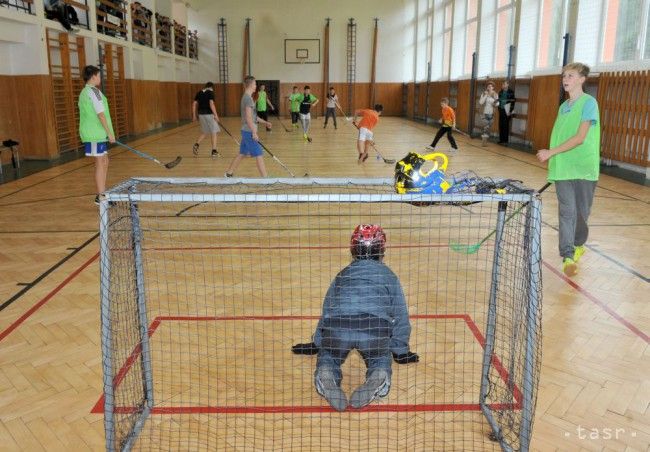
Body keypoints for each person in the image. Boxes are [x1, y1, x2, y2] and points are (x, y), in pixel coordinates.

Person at [292, 224, 418, 412]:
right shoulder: (389, 276)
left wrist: (318, 343)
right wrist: (400, 351)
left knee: (329, 355)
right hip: (374, 329)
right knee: (380, 358)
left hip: (339, 327)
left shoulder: (343, 275)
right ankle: (379, 373)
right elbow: (400, 314)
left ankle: (326, 372)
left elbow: (328, 310)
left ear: (353, 249)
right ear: (382, 249)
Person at [536, 62, 600, 277]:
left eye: (571, 75)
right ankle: (567, 256)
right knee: (567, 212)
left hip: (583, 167)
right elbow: (560, 135)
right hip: (563, 168)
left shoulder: (589, 103)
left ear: (582, 79)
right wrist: (554, 157)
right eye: (564, 75)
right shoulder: (563, 107)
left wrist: (550, 152)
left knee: (581, 214)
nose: (566, 79)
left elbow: (580, 138)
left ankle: (578, 244)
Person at [78, 65, 115, 205]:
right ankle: (101, 196)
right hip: (94, 134)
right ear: (93, 76)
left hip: (97, 133)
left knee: (105, 161)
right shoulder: (93, 92)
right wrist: (110, 133)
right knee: (100, 162)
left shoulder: (85, 92)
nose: (100, 78)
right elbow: (101, 115)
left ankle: (103, 192)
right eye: (99, 76)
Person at [224, 76, 272, 177]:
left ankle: (229, 173)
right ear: (250, 85)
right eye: (255, 84)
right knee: (259, 154)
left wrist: (265, 122)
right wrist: (254, 132)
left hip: (246, 131)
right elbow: (249, 118)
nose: (256, 86)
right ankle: (265, 179)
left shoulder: (247, 98)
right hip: (249, 132)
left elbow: (254, 117)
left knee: (242, 153)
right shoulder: (247, 99)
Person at [192, 82, 221, 158]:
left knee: (205, 132)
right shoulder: (211, 92)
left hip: (201, 114)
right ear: (211, 87)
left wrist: (194, 115)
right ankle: (214, 151)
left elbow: (194, 104)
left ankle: (196, 144)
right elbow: (211, 104)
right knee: (214, 132)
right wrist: (216, 115)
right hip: (209, 115)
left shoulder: (199, 92)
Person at [478, 81, 498, 146]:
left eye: (490, 86)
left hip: (492, 113)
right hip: (484, 113)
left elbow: (498, 103)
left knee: (488, 127)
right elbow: (481, 102)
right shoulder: (484, 94)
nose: (489, 87)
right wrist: (486, 95)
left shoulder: (495, 94)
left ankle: (485, 141)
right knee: (485, 127)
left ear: (493, 87)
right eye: (488, 86)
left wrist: (494, 103)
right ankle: (484, 142)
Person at [497, 80, 515, 145]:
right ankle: (501, 140)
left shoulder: (511, 92)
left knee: (505, 125)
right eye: (502, 84)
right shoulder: (500, 92)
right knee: (501, 125)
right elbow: (499, 101)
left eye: (504, 84)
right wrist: (499, 108)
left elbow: (513, 102)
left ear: (508, 85)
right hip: (501, 110)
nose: (503, 85)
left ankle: (505, 141)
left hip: (507, 110)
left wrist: (510, 111)